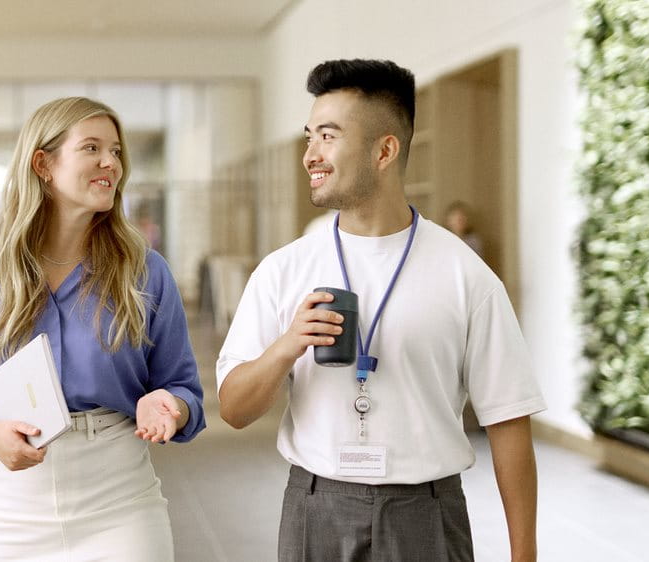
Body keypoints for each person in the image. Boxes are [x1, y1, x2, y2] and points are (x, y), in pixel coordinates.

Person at [215, 59, 544, 562]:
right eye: (309, 137)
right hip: (315, 507)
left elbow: (508, 420)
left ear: (384, 149)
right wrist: (288, 346)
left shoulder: (465, 273)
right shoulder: (284, 269)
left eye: (327, 136)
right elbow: (235, 409)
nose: (310, 155)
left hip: (427, 512)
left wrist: (525, 555)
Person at [0, 96, 205, 560]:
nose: (111, 162)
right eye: (92, 148)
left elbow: (183, 390)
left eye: (117, 151)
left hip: (118, 498)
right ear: (43, 164)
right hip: (3, 505)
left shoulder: (145, 270)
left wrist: (171, 407)